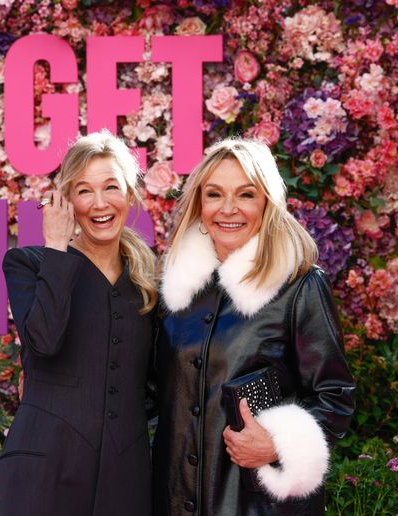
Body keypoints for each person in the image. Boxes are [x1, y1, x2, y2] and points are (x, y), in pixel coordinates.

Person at [151, 138, 356, 515]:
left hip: (259, 504)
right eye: (214, 194)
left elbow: (335, 394)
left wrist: (279, 443)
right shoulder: (175, 292)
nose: (228, 209)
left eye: (245, 194)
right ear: (200, 203)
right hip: (175, 500)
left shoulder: (299, 285)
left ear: (267, 203)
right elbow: (150, 393)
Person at [0, 131, 157, 515]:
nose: (100, 203)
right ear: (66, 202)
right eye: (84, 191)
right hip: (44, 470)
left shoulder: (149, 281)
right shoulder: (29, 263)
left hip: (125, 478)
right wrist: (56, 246)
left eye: (111, 187)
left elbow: (158, 378)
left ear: (129, 194)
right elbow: (44, 342)